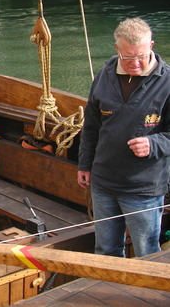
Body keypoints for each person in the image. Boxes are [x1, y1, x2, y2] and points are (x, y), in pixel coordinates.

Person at [78, 17, 170, 258]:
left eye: (141, 56)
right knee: (106, 249)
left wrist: (154, 143)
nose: (136, 64)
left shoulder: (168, 82)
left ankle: (147, 294)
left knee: (147, 252)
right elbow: (91, 127)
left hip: (144, 188)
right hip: (103, 182)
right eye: (128, 58)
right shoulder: (104, 76)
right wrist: (85, 165)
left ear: (151, 45)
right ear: (117, 49)